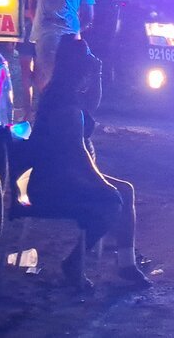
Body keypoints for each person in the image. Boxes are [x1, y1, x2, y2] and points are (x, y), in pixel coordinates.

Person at [25, 35, 152, 289]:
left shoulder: (61, 91)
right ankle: (75, 262)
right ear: (78, 66)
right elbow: (79, 157)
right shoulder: (64, 105)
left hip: (61, 177)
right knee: (111, 201)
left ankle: (126, 264)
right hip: (56, 184)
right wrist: (102, 185)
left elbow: (91, 106)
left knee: (124, 190)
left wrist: (98, 75)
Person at [27, 0, 95, 93]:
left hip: (46, 37)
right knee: (68, 80)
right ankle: (64, 112)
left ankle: (48, 111)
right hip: (71, 37)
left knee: (46, 79)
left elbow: (31, 5)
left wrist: (38, 24)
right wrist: (77, 29)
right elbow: (89, 16)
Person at [15, 0, 44, 121]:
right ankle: (41, 112)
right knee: (40, 73)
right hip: (40, 30)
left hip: (23, 29)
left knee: (26, 74)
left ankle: (27, 113)